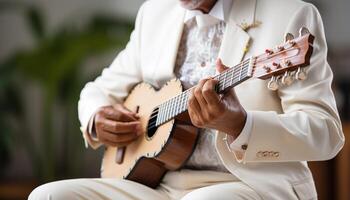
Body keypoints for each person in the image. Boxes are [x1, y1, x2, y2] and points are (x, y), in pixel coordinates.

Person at [29, 0, 345, 199]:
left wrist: (240, 124)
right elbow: (98, 90)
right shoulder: (155, 12)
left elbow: (326, 132)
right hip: (157, 184)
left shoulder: (290, 14)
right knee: (48, 195)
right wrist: (97, 118)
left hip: (250, 184)